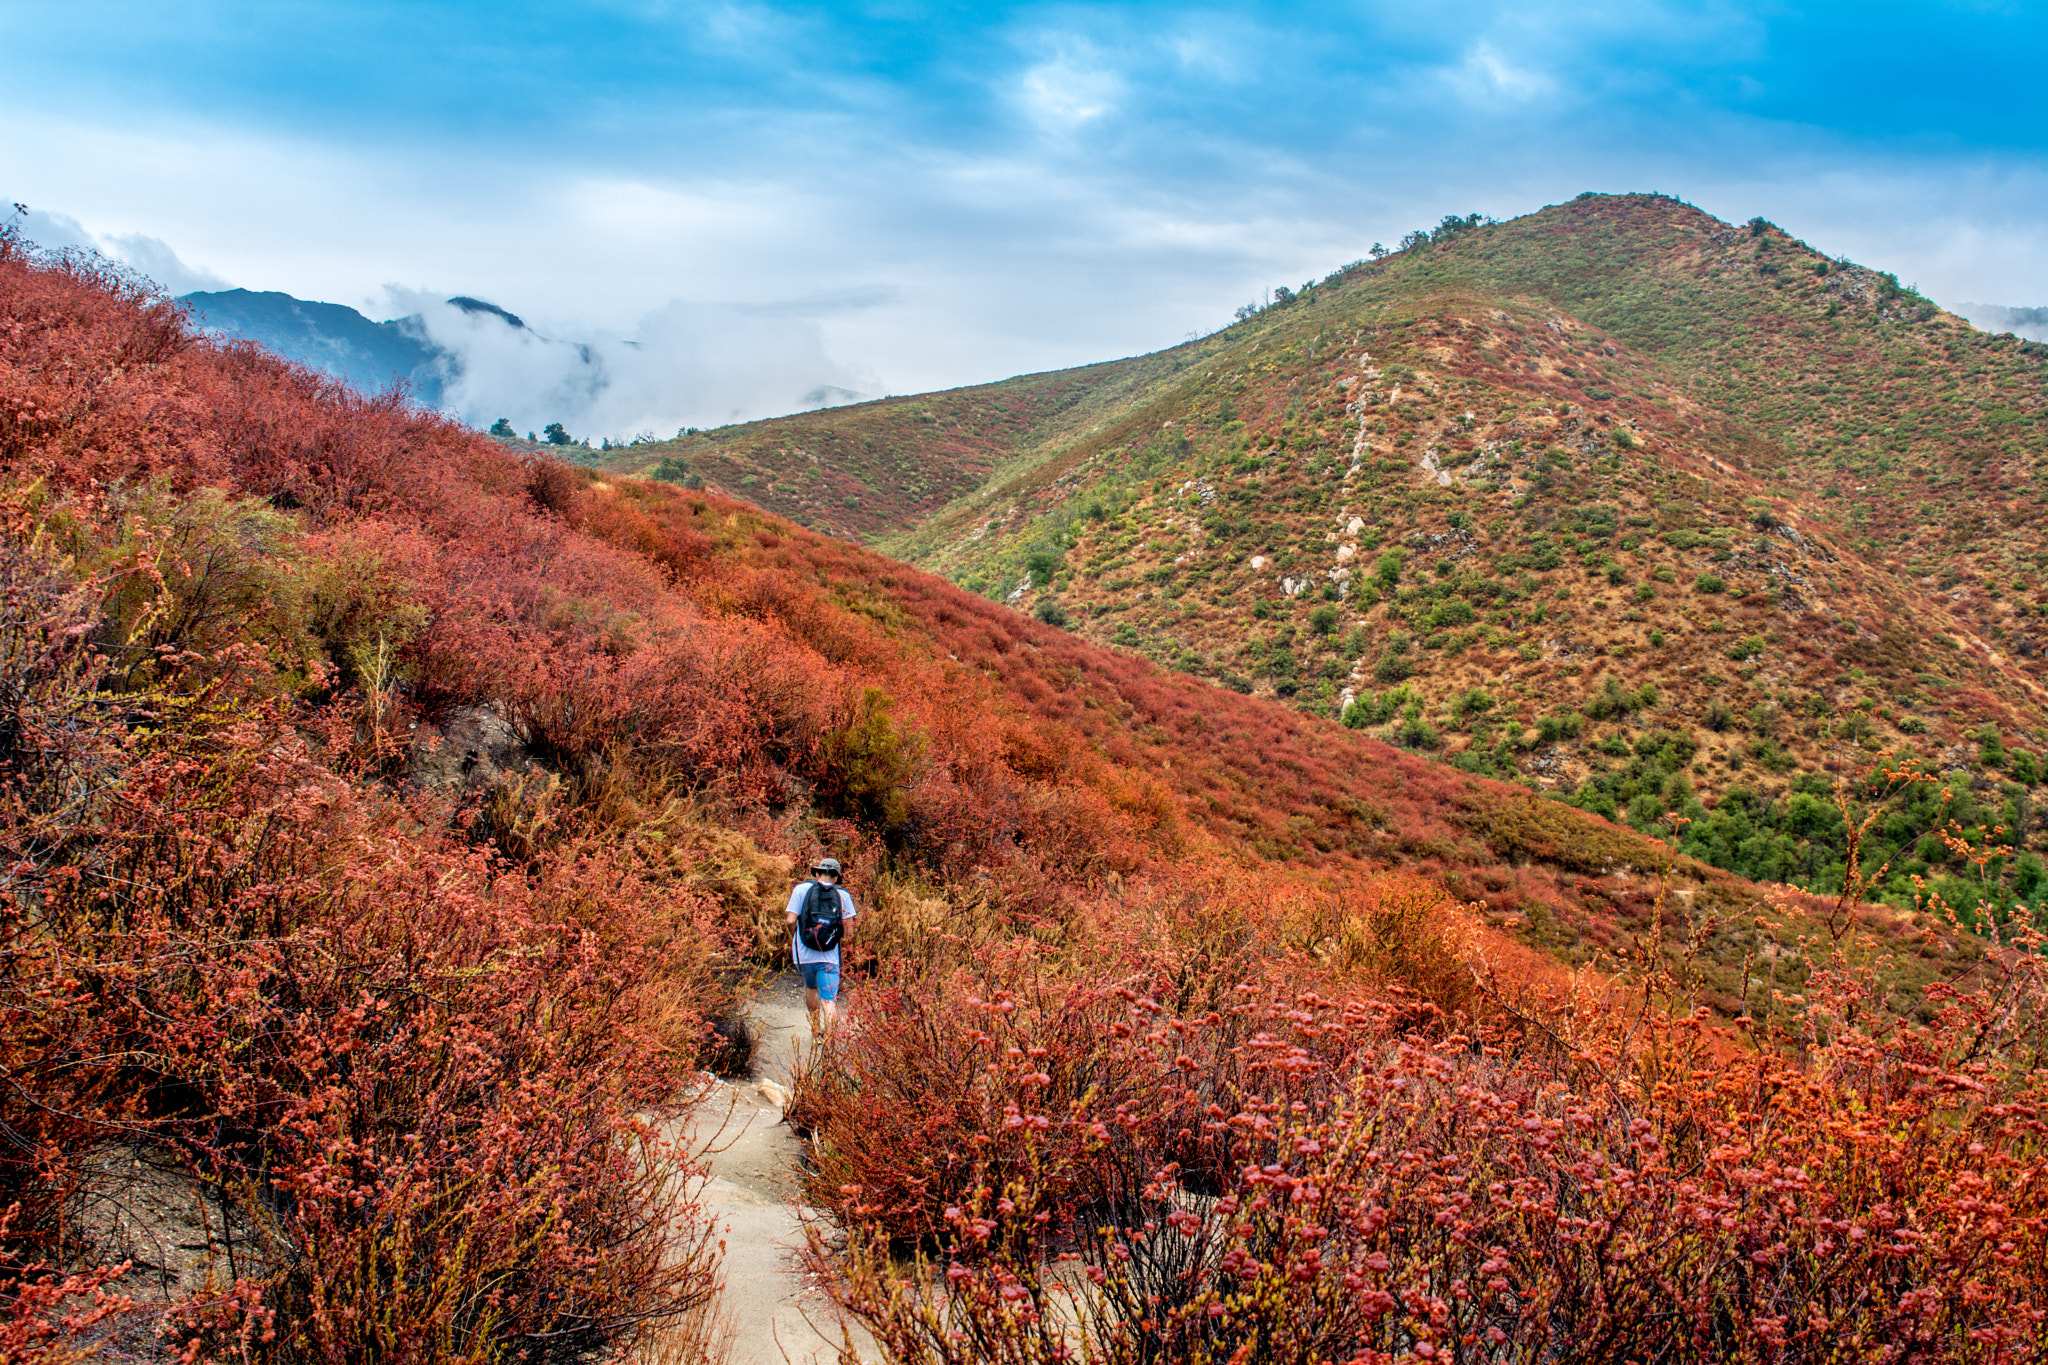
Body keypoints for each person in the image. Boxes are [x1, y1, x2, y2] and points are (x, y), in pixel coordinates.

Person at [784, 857, 857, 1038]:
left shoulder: (801, 890)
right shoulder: (843, 896)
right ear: (836, 877)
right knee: (829, 1000)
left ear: (816, 873)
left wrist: (796, 936)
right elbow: (849, 932)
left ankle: (816, 1032)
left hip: (804, 954)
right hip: (829, 957)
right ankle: (829, 1042)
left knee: (811, 988)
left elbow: (790, 920)